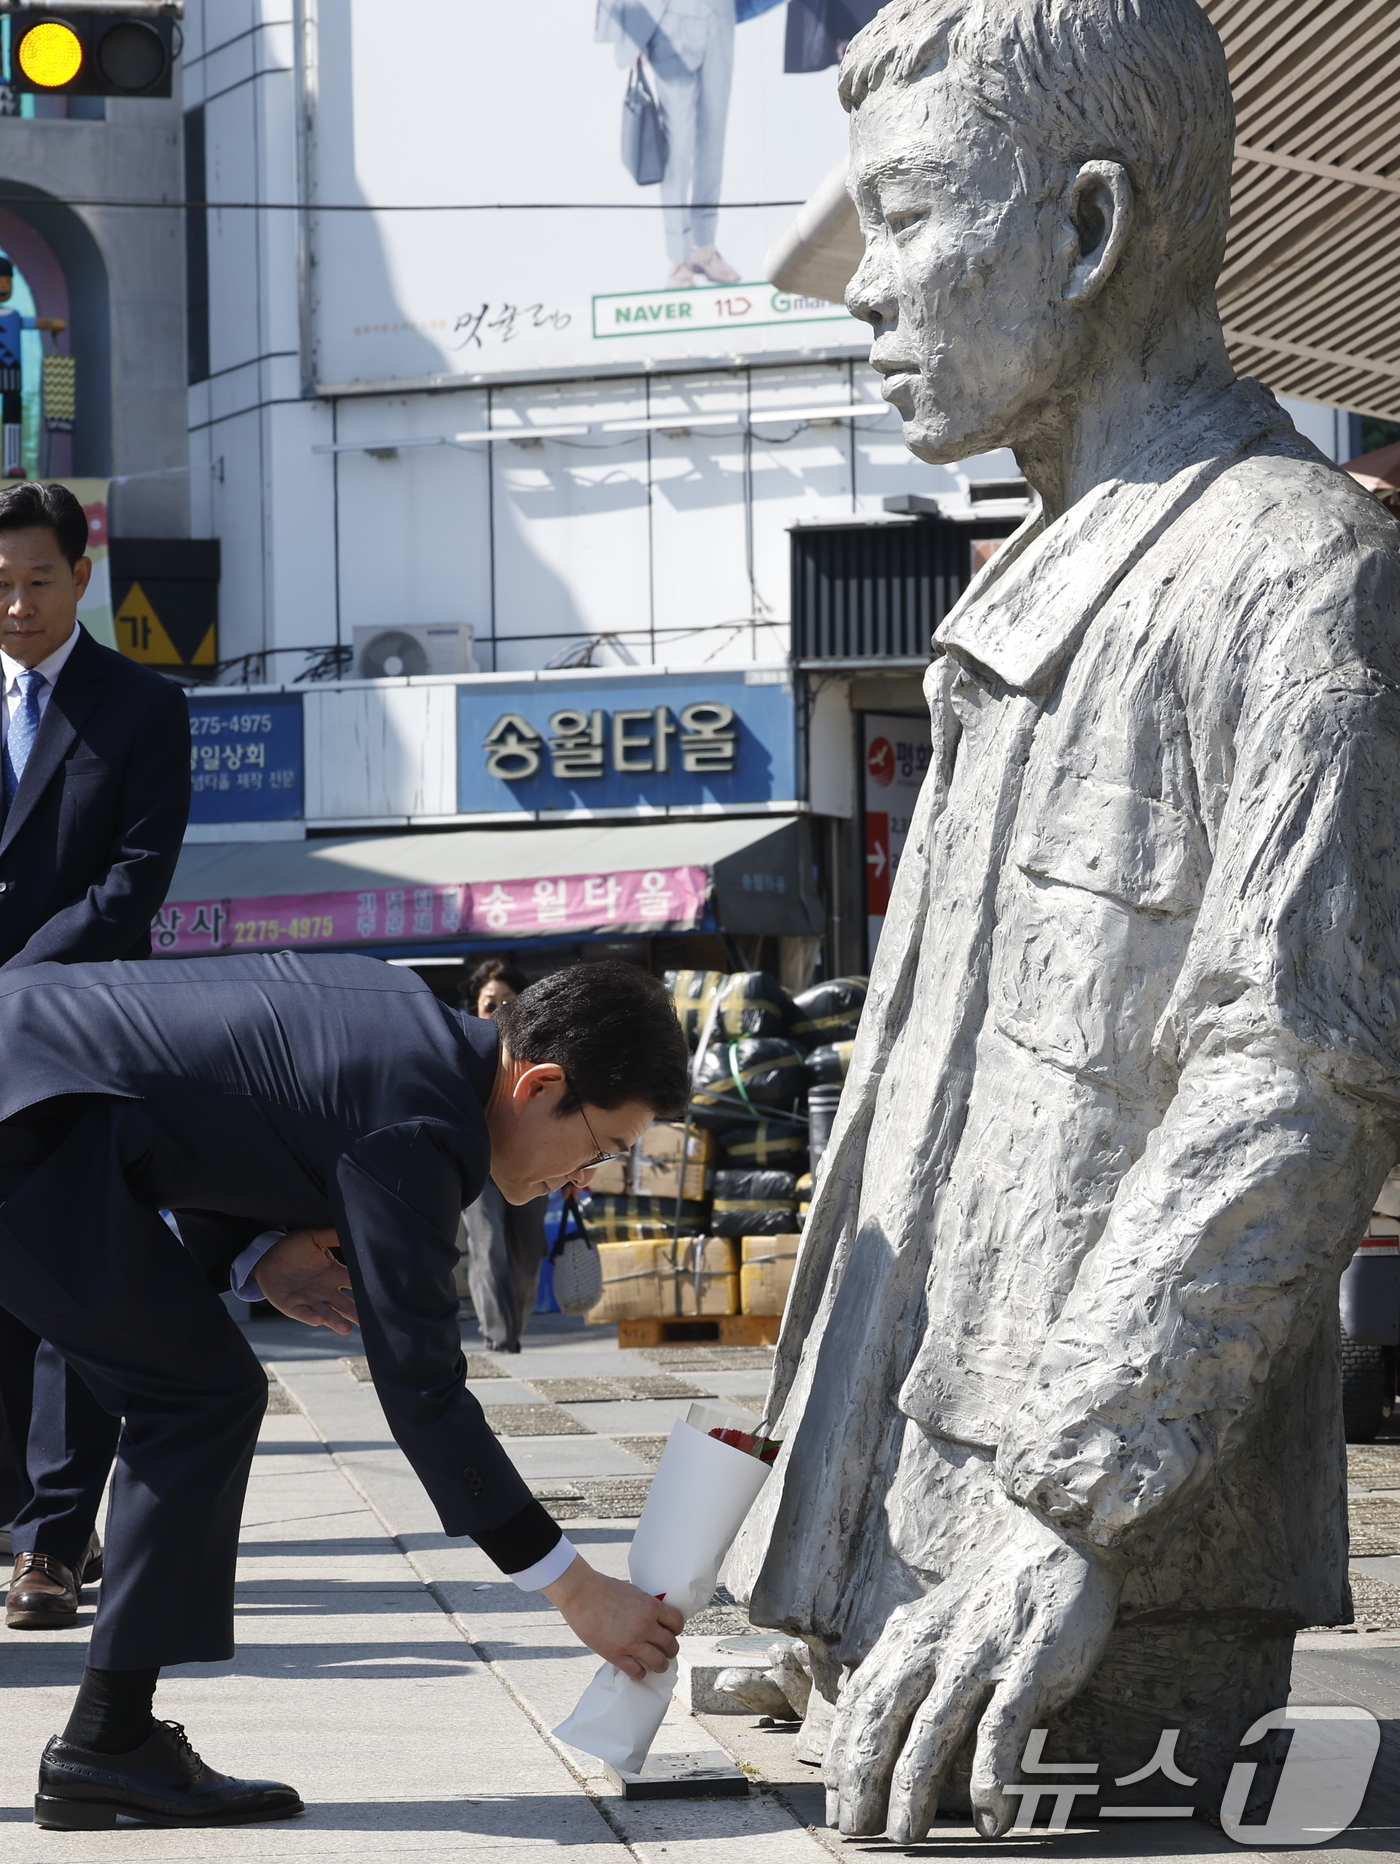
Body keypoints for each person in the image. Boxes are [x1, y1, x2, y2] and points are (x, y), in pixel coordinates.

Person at [725, 0, 1400, 1842]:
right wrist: (812, 1523)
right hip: (922, 1532)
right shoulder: (1035, 589)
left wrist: (1074, 1507)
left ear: (1087, 230)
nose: (866, 288)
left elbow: (1302, 1067)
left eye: (913, 219)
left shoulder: (1289, 570)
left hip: (1098, 1571)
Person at [0, 954, 690, 1829]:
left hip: (37, 1087)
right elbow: (423, 1391)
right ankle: (107, 1744)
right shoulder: (422, 1125)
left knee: (198, 1390)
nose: (581, 1181)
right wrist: (576, 1588)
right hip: (29, 1125)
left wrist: (255, 1255)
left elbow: (200, 1086)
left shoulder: (406, 1023)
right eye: (599, 1147)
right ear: (540, 1083)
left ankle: (111, 1741)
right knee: (197, 1397)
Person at [0, 480, 191, 1636]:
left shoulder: (139, 706)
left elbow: (132, 881)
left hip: (80, 1031)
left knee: (78, 1290)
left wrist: (17, 981)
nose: (15, 604)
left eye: (36, 580)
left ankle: (54, 1546)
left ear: (82, 575)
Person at [597, 0, 743, 287]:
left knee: (714, 140)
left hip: (719, 18)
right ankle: (679, 257)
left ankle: (705, 246)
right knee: (678, 150)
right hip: (670, 24)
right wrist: (632, 37)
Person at [458, 958, 549, 1354]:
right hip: (478, 1164)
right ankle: (500, 1338)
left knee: (528, 1254)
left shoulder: (544, 1046)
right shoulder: (458, 1045)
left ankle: (514, 1327)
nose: (498, 1012)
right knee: (489, 1243)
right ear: (476, 1007)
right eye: (490, 1003)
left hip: (532, 1160)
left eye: (508, 1002)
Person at [0, 259, 65, 479]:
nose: (3, 286)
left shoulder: (14, 316)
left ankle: (12, 462)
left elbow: (33, 323)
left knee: (13, 417)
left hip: (11, 371)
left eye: (7, 282)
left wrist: (50, 324)